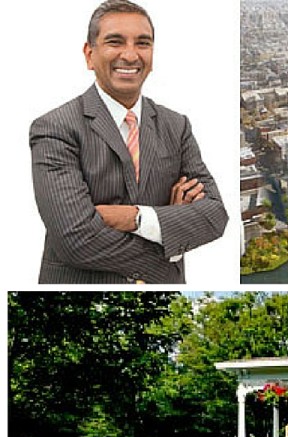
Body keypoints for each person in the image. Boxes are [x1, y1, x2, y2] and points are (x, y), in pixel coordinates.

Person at [30, 0, 228, 283]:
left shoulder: (176, 126)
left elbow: (214, 216)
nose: (130, 55)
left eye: (142, 43)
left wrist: (136, 218)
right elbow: (74, 239)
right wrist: (168, 241)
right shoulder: (55, 128)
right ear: (89, 55)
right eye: (115, 42)